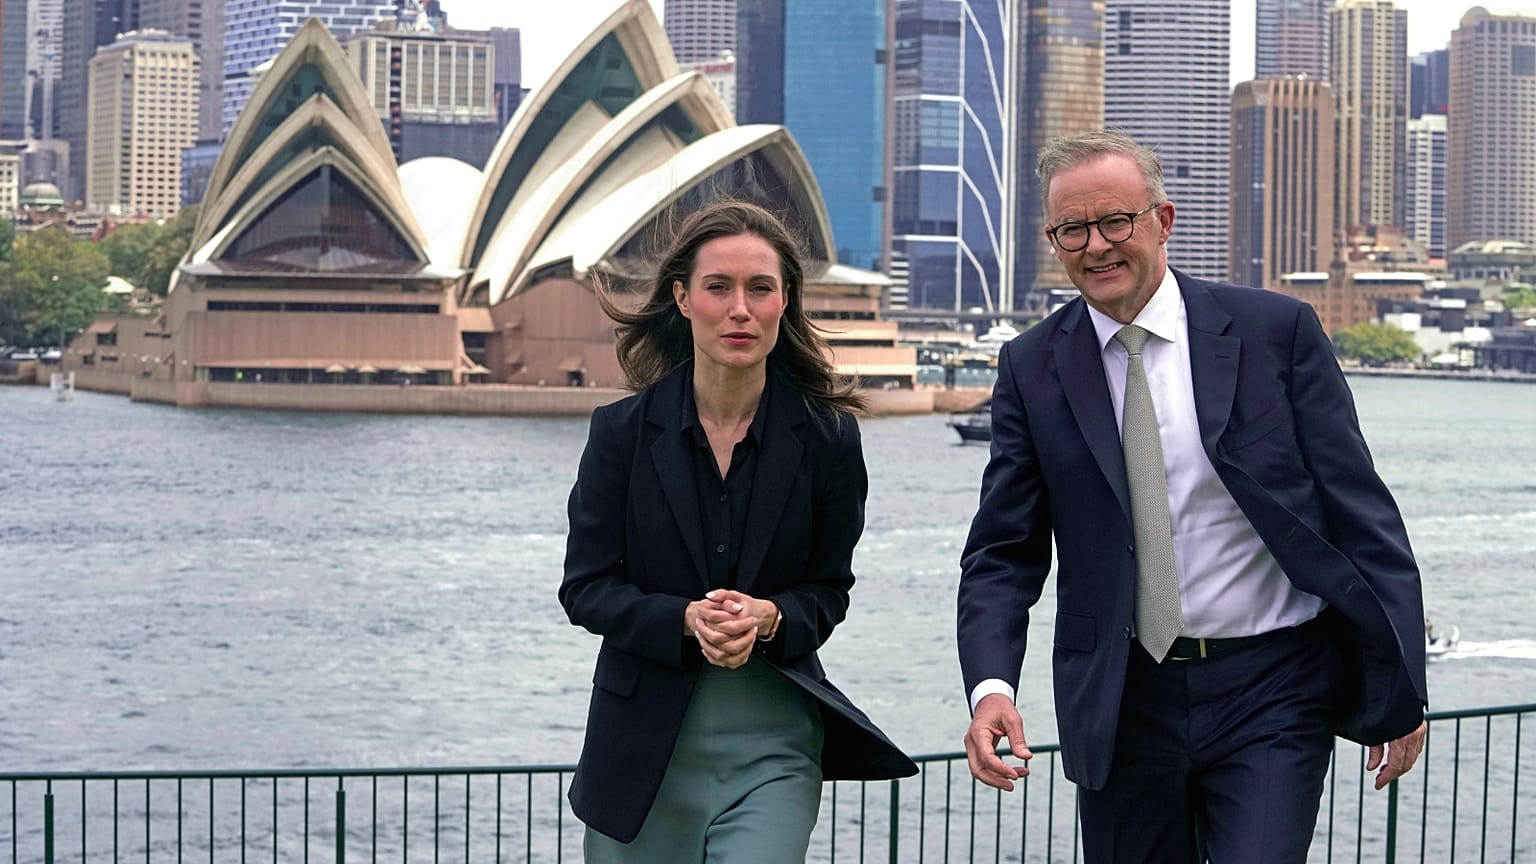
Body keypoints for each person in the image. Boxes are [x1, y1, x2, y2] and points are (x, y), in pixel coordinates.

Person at [956, 131, 1428, 863]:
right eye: (1072, 229)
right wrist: (991, 686)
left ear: (1163, 220)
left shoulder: (1278, 333)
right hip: (1121, 701)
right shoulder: (1029, 368)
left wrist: (1403, 685)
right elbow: (1002, 553)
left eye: (1117, 221)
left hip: (1274, 688)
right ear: (1054, 240)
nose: (1097, 246)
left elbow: (1362, 517)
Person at [560, 199, 917, 861]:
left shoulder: (829, 440)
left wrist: (774, 617)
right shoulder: (621, 434)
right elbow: (584, 589)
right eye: (718, 287)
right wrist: (685, 620)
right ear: (682, 298)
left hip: (773, 743)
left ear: (786, 300)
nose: (739, 309)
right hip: (640, 747)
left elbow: (828, 592)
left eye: (760, 288)